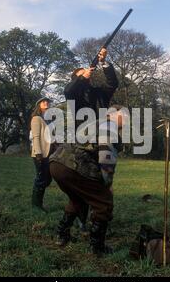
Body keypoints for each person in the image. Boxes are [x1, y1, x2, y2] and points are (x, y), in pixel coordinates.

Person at [49, 105, 126, 256]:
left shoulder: (94, 123)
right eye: (125, 116)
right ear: (115, 115)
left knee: (77, 198)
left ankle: (61, 234)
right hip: (74, 166)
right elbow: (106, 157)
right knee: (104, 202)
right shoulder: (109, 126)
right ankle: (97, 247)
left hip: (56, 164)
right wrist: (107, 184)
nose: (127, 121)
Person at [63, 47, 119, 232]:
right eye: (80, 75)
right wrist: (82, 76)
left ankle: (100, 221)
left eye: (87, 73)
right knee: (84, 186)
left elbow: (113, 83)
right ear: (77, 80)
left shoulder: (98, 93)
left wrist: (104, 62)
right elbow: (69, 91)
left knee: (103, 184)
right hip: (83, 146)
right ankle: (79, 222)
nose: (87, 76)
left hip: (100, 144)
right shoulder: (74, 97)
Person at [30, 97, 53, 213]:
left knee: (47, 179)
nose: (46, 103)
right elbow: (36, 137)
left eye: (47, 101)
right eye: (43, 102)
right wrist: (38, 153)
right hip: (40, 154)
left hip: (48, 153)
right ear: (38, 105)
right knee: (41, 178)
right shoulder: (36, 119)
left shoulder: (48, 120)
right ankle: (36, 205)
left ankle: (38, 203)